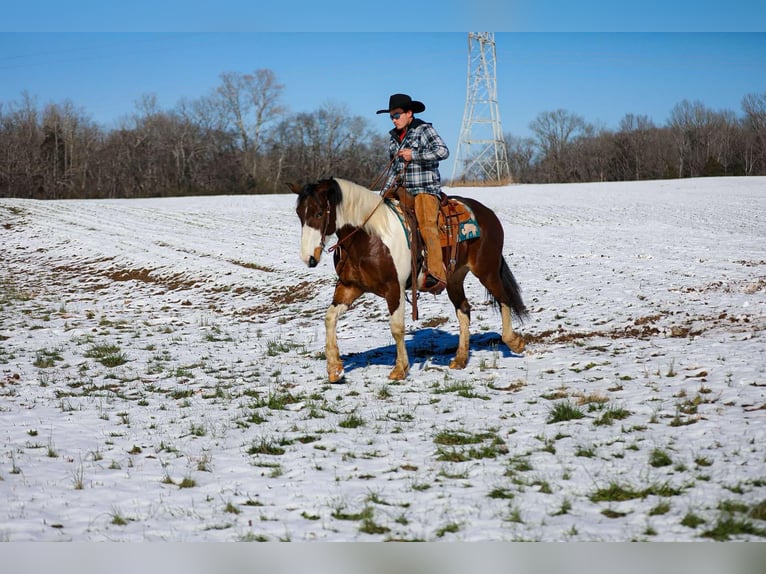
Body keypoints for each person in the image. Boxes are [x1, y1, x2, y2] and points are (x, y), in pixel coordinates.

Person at [377, 93, 450, 294]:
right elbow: (393, 170)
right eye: (391, 116)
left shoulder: (424, 130)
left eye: (397, 114)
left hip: (424, 188)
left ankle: (436, 274)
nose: (394, 119)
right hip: (402, 188)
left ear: (409, 113)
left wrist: (414, 155)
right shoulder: (393, 138)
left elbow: (443, 151)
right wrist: (382, 195)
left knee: (427, 225)